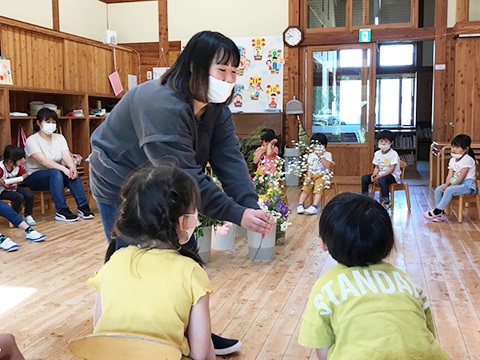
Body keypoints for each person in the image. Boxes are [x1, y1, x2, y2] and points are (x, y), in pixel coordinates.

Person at [89, 31, 274, 354]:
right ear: (195, 68)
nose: (229, 79)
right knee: (132, 259)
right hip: (119, 182)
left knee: (171, 258)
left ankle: (192, 331)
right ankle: (122, 331)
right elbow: (184, 177)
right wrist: (237, 214)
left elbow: (228, 157)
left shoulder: (215, 108)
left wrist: (247, 203)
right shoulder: (160, 103)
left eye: (235, 72)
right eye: (222, 70)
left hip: (159, 180)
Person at [298, 192, 452, 360]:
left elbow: (321, 345)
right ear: (388, 241)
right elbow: (426, 331)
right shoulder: (406, 282)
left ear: (323, 243)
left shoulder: (326, 286)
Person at [88, 165, 216, 360]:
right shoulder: (191, 272)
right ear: (182, 222)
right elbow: (201, 354)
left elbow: (99, 330)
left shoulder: (113, 261)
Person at [24, 108, 94, 222]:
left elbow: (66, 155)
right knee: (57, 172)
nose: (51, 125)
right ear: (38, 123)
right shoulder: (31, 140)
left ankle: (83, 207)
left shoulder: (59, 138)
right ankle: (62, 210)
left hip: (57, 175)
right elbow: (43, 161)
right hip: (35, 177)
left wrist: (71, 167)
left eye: (53, 122)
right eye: (47, 122)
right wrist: (63, 168)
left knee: (71, 173)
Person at [423, 134, 477, 222]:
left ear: (466, 149)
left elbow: (462, 177)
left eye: (457, 147)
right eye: (453, 146)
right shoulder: (452, 160)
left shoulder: (468, 159)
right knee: (438, 189)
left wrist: (450, 187)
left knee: (448, 190)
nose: (454, 149)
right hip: (455, 183)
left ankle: (437, 210)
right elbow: (449, 175)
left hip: (466, 186)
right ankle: (440, 214)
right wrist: (446, 185)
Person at [361, 130, 401, 210]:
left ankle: (386, 202)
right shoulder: (377, 153)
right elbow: (377, 167)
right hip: (380, 175)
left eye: (386, 141)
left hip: (392, 176)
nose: (383, 143)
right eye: (381, 141)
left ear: (391, 143)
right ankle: (365, 199)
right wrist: (374, 175)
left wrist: (379, 176)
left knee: (383, 180)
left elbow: (392, 168)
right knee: (364, 178)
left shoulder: (393, 154)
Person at [297, 133, 333, 215]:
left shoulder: (328, 154)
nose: (318, 148)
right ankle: (300, 205)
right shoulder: (311, 155)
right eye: (315, 146)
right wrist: (308, 177)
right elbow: (310, 167)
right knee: (305, 188)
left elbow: (327, 166)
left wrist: (321, 156)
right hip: (312, 175)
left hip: (323, 176)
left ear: (325, 146)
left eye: (321, 146)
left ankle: (314, 207)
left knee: (318, 189)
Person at [0, 145, 36, 225]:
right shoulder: (1, 168)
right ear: (10, 161)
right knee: (18, 197)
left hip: (12, 188)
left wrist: (22, 177)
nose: (22, 161)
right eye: (20, 159)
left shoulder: (17, 167)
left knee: (29, 195)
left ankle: (27, 215)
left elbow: (25, 173)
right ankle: (15, 218)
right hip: (2, 191)